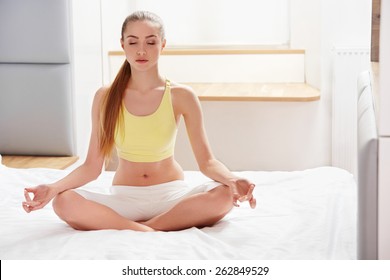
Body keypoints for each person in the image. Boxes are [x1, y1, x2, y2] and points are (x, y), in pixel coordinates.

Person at [22, 11, 256, 232]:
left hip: (171, 196)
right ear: (123, 44)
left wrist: (233, 180)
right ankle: (146, 229)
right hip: (124, 197)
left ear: (163, 44)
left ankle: (138, 227)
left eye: (151, 42)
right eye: (133, 42)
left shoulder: (181, 96)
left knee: (225, 195)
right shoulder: (105, 97)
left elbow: (207, 162)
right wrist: (53, 188)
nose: (141, 50)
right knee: (63, 202)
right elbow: (92, 167)